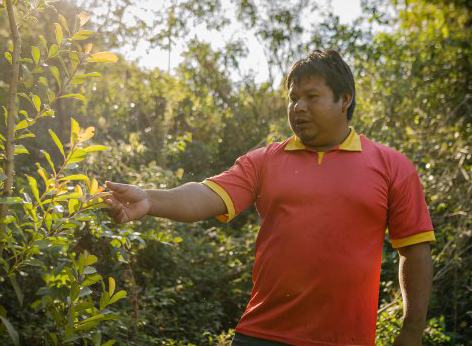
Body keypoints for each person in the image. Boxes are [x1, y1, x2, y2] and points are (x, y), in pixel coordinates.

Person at [103, 49, 435, 346]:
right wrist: (149, 199)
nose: (298, 107)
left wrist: (411, 331)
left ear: (344, 99)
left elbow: (415, 249)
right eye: (293, 98)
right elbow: (204, 195)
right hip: (262, 336)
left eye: (311, 96)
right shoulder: (266, 160)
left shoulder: (391, 165)